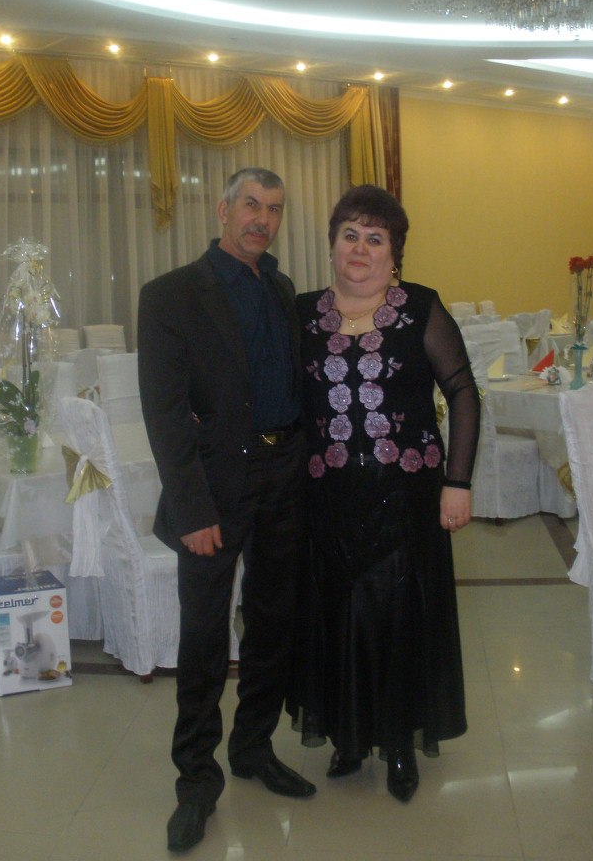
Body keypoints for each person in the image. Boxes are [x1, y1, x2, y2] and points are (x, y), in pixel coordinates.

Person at [137, 167, 316, 855]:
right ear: (222, 210)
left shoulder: (281, 289)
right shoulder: (171, 295)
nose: (261, 219)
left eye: (274, 209)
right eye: (250, 204)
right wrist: (191, 509)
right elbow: (164, 413)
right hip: (213, 490)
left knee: (273, 623)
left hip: (283, 478)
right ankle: (195, 779)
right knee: (206, 636)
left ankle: (253, 748)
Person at [287, 184, 479, 803]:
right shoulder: (302, 313)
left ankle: (398, 744)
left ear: (394, 254)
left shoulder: (420, 308)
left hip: (407, 499)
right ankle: (347, 738)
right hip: (328, 500)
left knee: (398, 621)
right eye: (350, 235)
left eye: (376, 239)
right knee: (338, 617)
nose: (361, 249)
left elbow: (464, 393)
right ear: (332, 244)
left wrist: (457, 483)